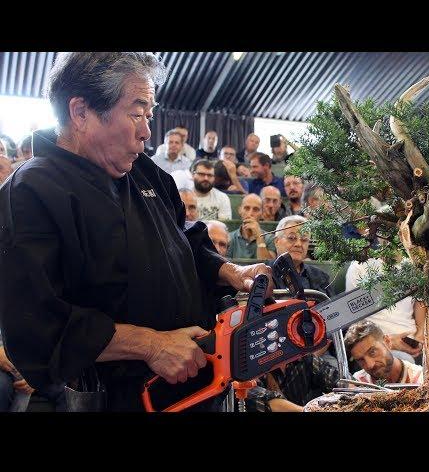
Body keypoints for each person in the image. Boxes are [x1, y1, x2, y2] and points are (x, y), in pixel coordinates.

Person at [0, 52, 272, 412]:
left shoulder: (142, 169)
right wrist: (150, 344)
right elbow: (37, 325)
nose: (147, 131)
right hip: (117, 399)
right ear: (81, 112)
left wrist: (232, 272)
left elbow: (182, 235)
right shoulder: (30, 191)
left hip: (200, 382)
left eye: (150, 115)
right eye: (136, 113)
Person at [344, 320, 423, 385]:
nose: (370, 365)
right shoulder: (358, 383)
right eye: (361, 359)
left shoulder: (421, 379)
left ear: (387, 342)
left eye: (372, 352)